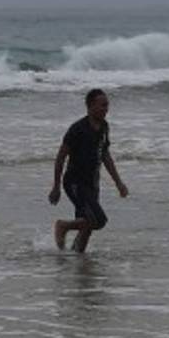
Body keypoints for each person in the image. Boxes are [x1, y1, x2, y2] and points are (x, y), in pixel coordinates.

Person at [48, 88, 128, 252]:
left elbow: (105, 155)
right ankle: (63, 226)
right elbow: (60, 157)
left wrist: (118, 182)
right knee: (98, 220)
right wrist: (56, 187)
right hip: (75, 182)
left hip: (92, 182)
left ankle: (77, 258)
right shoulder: (78, 129)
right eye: (102, 105)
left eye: (107, 106)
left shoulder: (104, 127)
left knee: (87, 225)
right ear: (90, 106)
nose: (106, 109)